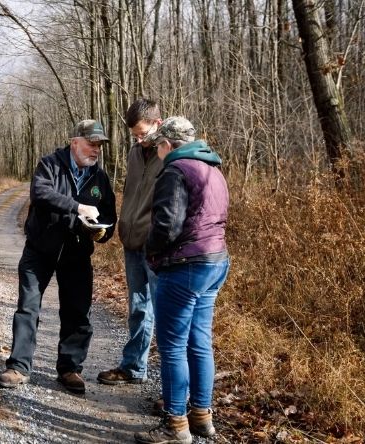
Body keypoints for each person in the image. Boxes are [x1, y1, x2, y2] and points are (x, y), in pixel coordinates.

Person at [0, 119, 117, 394]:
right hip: (40, 249)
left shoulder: (99, 177)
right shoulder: (50, 164)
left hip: (77, 254)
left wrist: (103, 233)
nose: (96, 150)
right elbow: (40, 193)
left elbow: (109, 214)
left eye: (99, 145)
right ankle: (19, 367)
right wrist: (77, 208)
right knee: (28, 308)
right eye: (91, 143)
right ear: (75, 142)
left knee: (77, 312)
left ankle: (70, 369)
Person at [134, 117, 230, 444]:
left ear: (168, 145)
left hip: (186, 265)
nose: (158, 151)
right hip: (216, 262)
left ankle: (175, 425)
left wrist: (151, 253)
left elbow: (167, 226)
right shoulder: (213, 169)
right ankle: (202, 416)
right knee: (199, 341)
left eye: (159, 145)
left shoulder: (175, 171)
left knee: (173, 345)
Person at [98, 99, 163, 388]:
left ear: (157, 124)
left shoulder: (171, 153)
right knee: (138, 306)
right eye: (134, 134)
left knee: (166, 313)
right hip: (132, 241)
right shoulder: (135, 152)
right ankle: (134, 367)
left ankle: (176, 392)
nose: (138, 138)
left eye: (142, 132)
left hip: (158, 244)